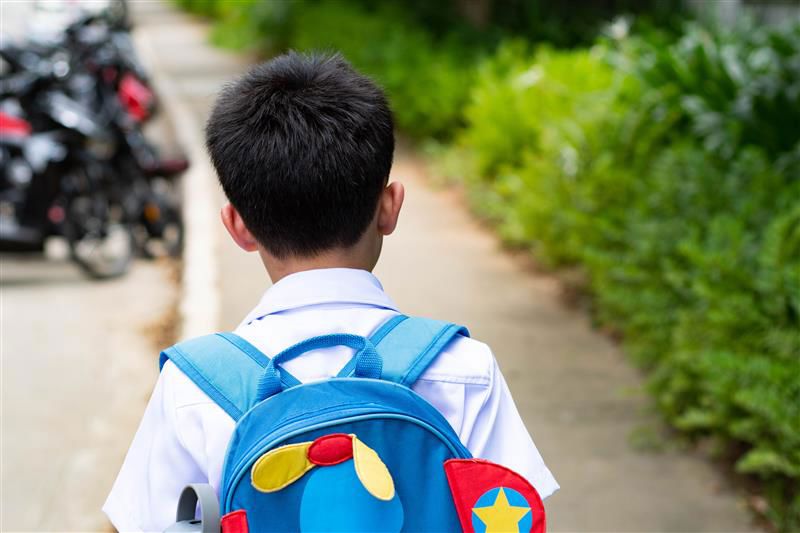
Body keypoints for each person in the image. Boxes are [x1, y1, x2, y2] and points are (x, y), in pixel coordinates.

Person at [103, 51, 558, 532]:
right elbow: (516, 517)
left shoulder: (193, 387)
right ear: (389, 207)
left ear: (238, 226)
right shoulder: (464, 369)